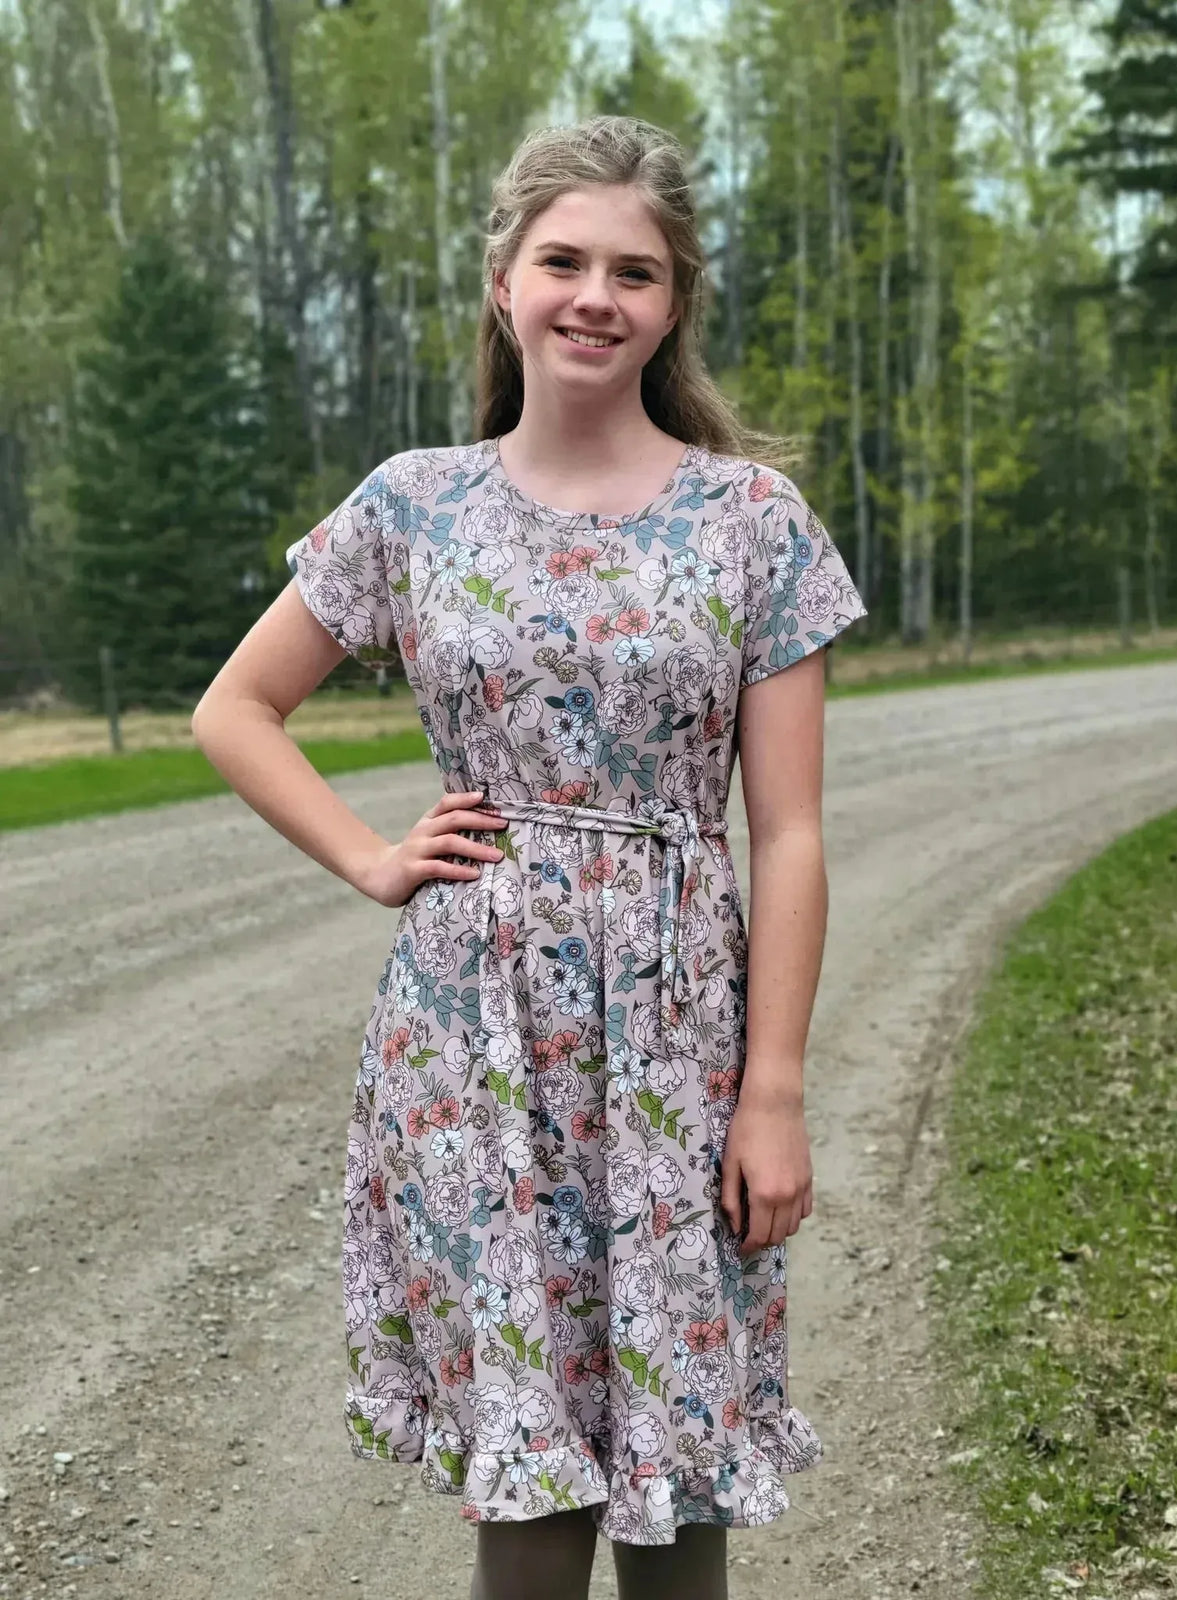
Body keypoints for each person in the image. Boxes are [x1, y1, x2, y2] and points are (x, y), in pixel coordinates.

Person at [192, 114, 867, 1600]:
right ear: (504, 277)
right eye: (563, 259)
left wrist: (774, 1090)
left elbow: (791, 829)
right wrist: (373, 859)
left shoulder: (753, 522)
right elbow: (235, 710)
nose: (594, 296)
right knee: (531, 1450)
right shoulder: (414, 503)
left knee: (680, 1464)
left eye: (635, 269)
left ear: (674, 300)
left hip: (683, 1038)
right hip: (476, 1038)